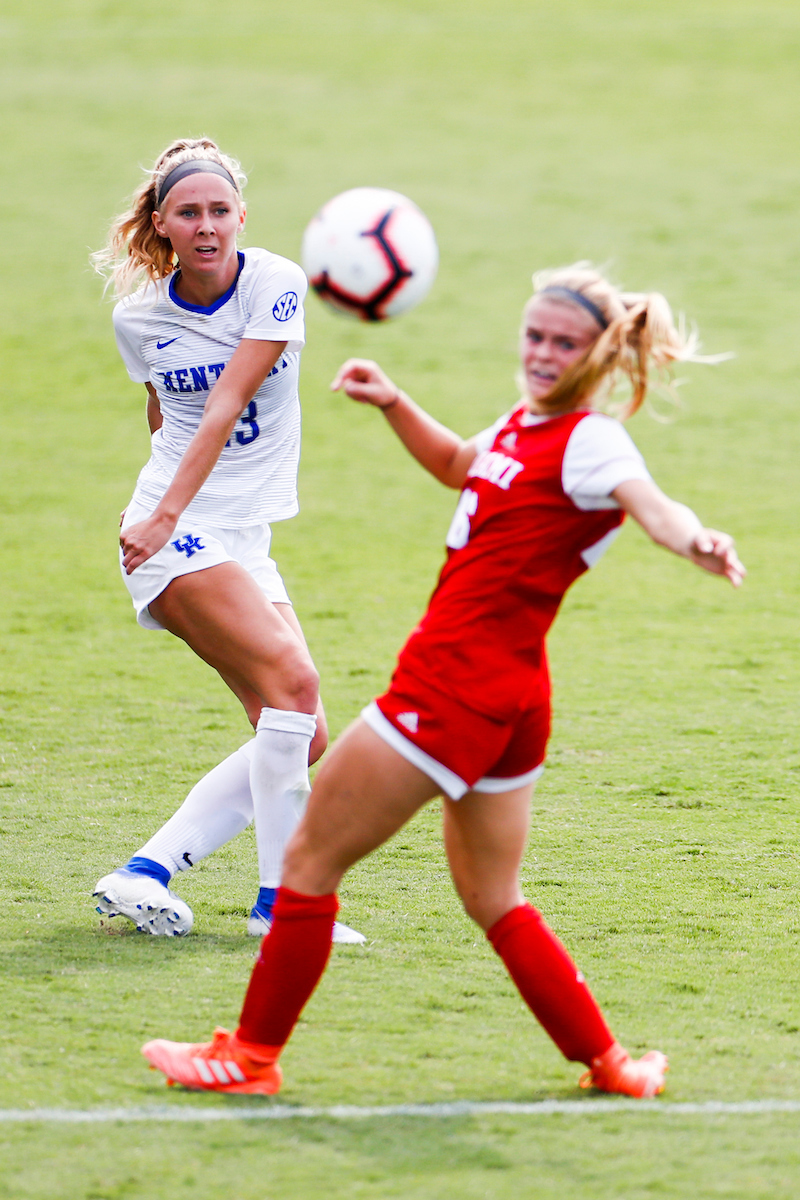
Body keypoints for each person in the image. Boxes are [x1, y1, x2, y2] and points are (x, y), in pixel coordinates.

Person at [141, 265, 745, 1097]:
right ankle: (611, 1065)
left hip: (451, 690)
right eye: (534, 335)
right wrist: (395, 403)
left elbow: (655, 506)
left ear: (599, 355)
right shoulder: (526, 423)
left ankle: (249, 1058)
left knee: (308, 860)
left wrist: (696, 539)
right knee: (493, 895)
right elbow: (464, 463)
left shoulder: (590, 441)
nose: (542, 353)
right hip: (512, 698)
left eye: (563, 343)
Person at [91, 137, 363, 944]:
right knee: (295, 682)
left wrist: (179, 512)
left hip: (237, 535)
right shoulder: (139, 318)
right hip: (172, 533)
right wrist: (161, 517)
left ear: (242, 215)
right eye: (188, 213)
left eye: (219, 210)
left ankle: (144, 873)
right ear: (161, 224)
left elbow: (229, 397)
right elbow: (170, 415)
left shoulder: (275, 284)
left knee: (302, 728)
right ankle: (284, 911)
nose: (206, 226)